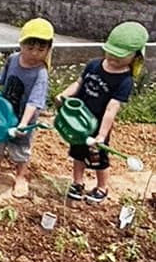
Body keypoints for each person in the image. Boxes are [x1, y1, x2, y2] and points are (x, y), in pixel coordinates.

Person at [56, 21, 149, 204]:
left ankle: (102, 187)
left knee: (99, 158)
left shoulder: (124, 81)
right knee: (77, 153)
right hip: (79, 121)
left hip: (98, 126)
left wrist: (101, 135)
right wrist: (63, 95)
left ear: (136, 56)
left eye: (120, 56)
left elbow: (111, 109)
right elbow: (78, 83)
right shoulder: (93, 65)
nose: (113, 58)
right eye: (111, 52)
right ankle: (77, 183)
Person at [0, 18, 54, 198]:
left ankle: (20, 177)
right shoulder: (13, 59)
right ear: (21, 44)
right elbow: (1, 79)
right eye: (30, 48)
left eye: (41, 49)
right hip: (2, 115)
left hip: (23, 118)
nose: (34, 53)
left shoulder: (40, 73)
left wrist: (23, 124)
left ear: (48, 49)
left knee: (21, 149)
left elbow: (34, 102)